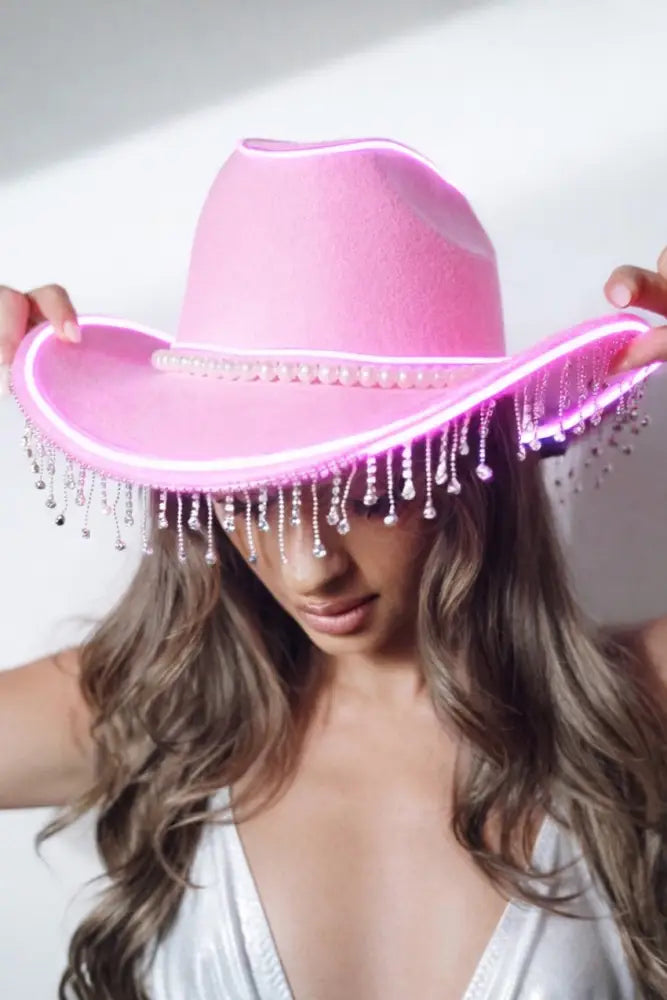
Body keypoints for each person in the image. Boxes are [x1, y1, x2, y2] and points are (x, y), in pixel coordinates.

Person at [1, 137, 666, 1000]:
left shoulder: (631, 706)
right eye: (249, 499)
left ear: (469, 465)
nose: (310, 570)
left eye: (366, 490)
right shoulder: (156, 709)